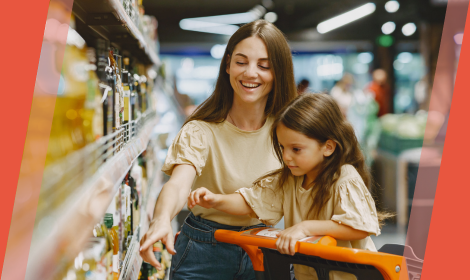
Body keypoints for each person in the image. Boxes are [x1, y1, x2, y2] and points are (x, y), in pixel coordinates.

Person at [139, 20, 297, 280]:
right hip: (203, 252)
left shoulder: (288, 133)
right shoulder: (202, 130)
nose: (250, 73)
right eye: (241, 62)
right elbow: (179, 184)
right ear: (227, 65)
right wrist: (162, 219)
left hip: (266, 250)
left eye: (264, 65)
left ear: (278, 71)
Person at [188, 93, 391, 280]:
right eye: (282, 147)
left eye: (296, 149)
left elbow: (359, 227)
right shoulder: (289, 180)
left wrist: (304, 228)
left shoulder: (344, 177)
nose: (286, 157)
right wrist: (215, 200)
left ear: (328, 147)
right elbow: (252, 202)